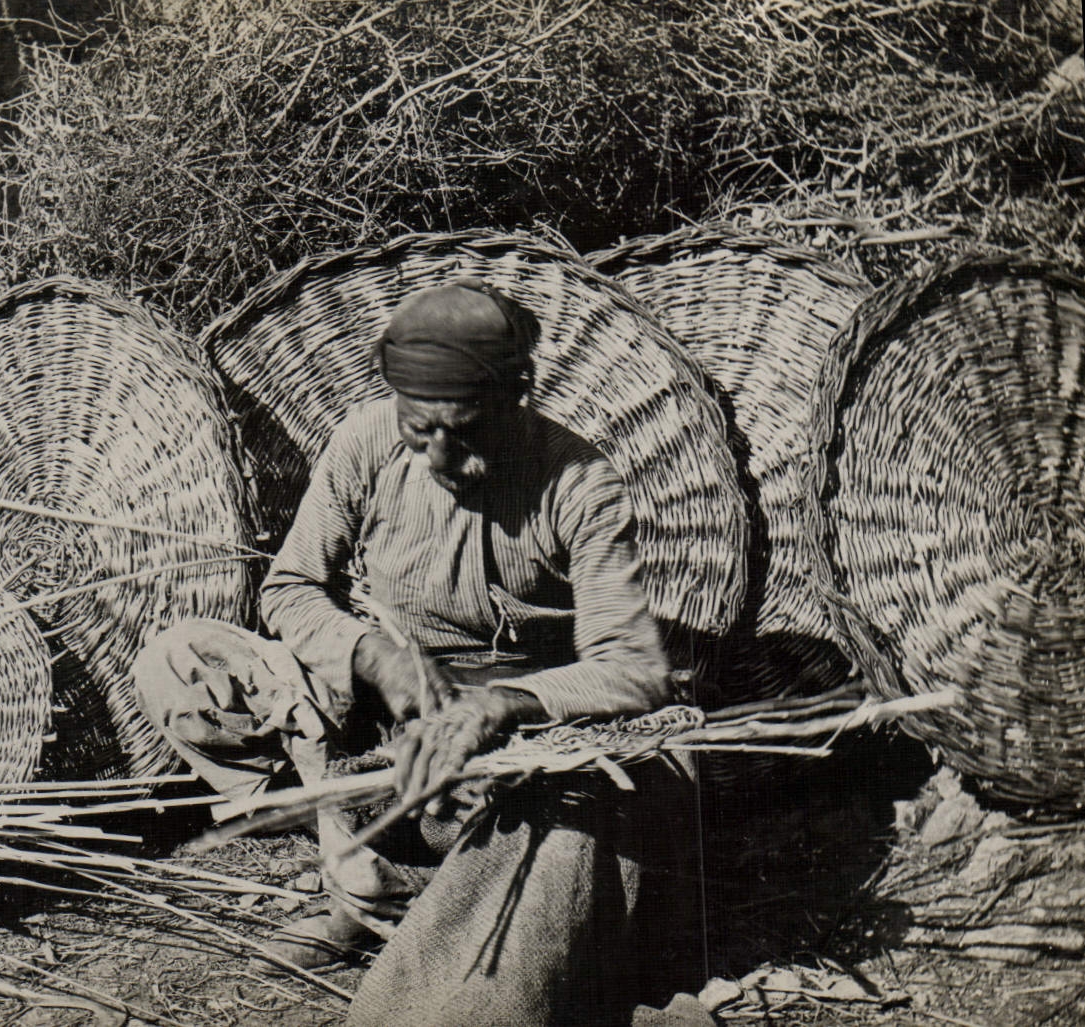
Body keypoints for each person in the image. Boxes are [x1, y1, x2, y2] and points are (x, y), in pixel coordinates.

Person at [133, 280, 707, 1026]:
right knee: (180, 661)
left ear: (518, 392)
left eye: (465, 430)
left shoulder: (579, 483)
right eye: (420, 429)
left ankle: (442, 942)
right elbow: (291, 587)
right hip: (389, 719)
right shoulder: (366, 442)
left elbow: (634, 669)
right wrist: (375, 657)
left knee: (588, 805)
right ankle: (376, 871)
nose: (442, 455)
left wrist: (502, 705)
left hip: (520, 744)